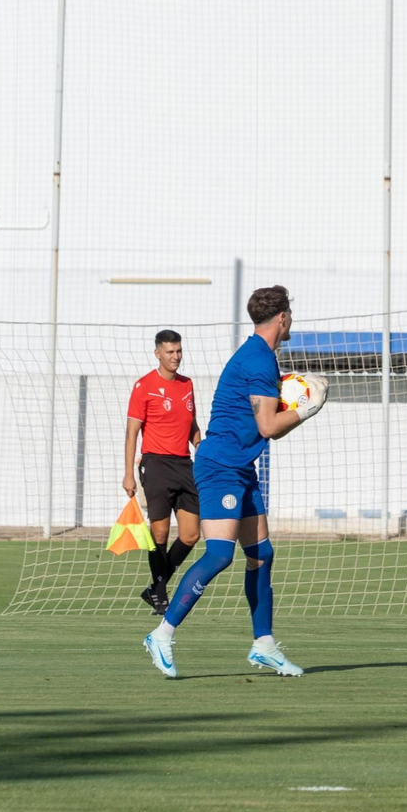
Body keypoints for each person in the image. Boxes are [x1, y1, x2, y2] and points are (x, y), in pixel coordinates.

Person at [141, 286, 327, 679]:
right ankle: (162, 634)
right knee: (220, 555)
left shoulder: (262, 358)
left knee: (262, 555)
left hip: (241, 468)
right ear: (282, 318)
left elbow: (265, 424)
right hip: (220, 466)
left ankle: (264, 645)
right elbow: (269, 426)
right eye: (290, 313)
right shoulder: (258, 359)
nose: (291, 319)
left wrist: (292, 405)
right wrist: (307, 409)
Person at [123, 329, 201, 614]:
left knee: (192, 534)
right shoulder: (144, 386)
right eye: (170, 352)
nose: (176, 357)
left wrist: (199, 445)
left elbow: (191, 422)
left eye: (178, 351)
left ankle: (155, 586)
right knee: (160, 532)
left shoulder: (187, 384)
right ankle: (160, 593)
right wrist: (128, 474)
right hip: (155, 464)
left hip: (184, 465)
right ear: (158, 353)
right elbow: (132, 433)